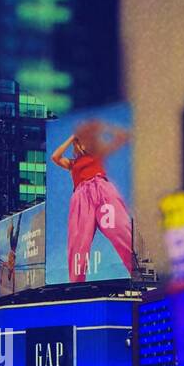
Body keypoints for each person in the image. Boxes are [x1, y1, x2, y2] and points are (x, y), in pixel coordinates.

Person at [50, 119, 135, 284]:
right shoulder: (72, 164)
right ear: (77, 145)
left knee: (121, 230)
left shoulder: (98, 153)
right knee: (78, 243)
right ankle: (76, 285)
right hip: (81, 197)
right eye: (82, 141)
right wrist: (73, 137)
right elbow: (55, 156)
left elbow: (124, 136)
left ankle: (138, 272)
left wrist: (104, 126)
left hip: (102, 190)